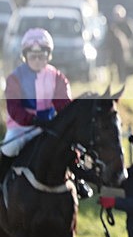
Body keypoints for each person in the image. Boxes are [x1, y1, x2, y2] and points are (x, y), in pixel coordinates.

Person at [1, 28, 91, 198]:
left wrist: (58, 122)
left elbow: (64, 106)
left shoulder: (57, 77)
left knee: (71, 148)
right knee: (9, 148)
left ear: (48, 55)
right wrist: (33, 120)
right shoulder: (14, 78)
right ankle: (2, 182)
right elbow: (14, 109)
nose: (36, 59)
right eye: (32, 56)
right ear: (25, 56)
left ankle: (78, 181)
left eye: (41, 55)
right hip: (22, 128)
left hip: (50, 126)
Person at [106, 5, 133, 83]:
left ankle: (123, 79)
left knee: (124, 65)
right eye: (115, 15)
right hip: (116, 50)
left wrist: (127, 41)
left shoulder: (127, 23)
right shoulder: (114, 26)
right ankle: (118, 79)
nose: (117, 17)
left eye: (118, 15)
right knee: (117, 65)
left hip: (126, 48)